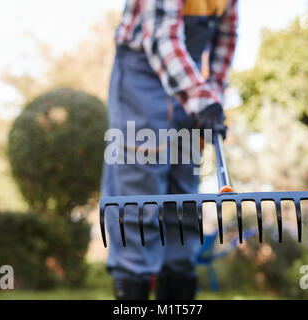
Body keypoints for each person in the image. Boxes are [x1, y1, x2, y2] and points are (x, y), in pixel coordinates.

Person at [101, 0, 238, 300]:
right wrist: (201, 100)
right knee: (139, 201)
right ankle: (133, 292)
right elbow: (160, 37)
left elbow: (226, 39)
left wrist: (212, 98)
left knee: (184, 200)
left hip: (186, 77)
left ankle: (177, 290)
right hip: (142, 75)